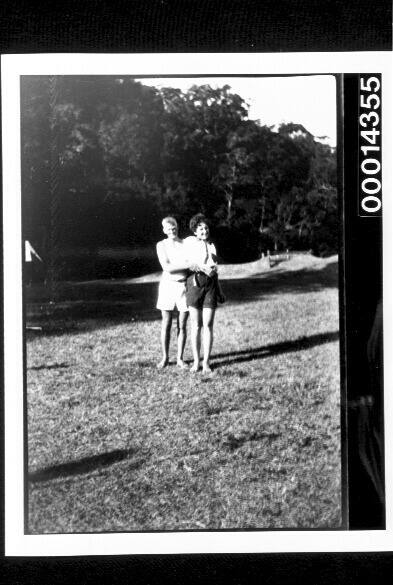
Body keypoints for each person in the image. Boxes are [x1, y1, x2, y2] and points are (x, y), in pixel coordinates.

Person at [184, 213, 225, 374]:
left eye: (206, 227)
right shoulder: (190, 243)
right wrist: (201, 267)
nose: (204, 230)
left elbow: (215, 272)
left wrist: (220, 290)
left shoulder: (213, 246)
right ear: (195, 231)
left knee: (208, 325)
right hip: (195, 284)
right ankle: (196, 362)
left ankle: (206, 362)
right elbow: (186, 262)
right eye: (200, 228)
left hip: (211, 286)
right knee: (196, 325)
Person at [156, 217, 191, 370]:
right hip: (167, 286)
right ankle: (165, 357)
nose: (172, 231)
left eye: (174, 228)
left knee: (182, 325)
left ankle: (180, 359)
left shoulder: (185, 244)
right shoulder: (161, 245)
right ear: (164, 230)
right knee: (166, 323)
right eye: (168, 229)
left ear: (178, 227)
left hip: (184, 285)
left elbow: (191, 262)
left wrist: (187, 265)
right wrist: (187, 265)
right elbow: (167, 267)